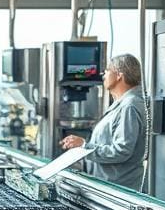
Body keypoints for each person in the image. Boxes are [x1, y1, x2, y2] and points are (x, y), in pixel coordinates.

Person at [60, 52, 148, 192]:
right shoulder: (123, 103)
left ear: (119, 75)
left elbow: (121, 151)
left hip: (118, 189)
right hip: (108, 185)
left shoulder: (129, 106)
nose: (103, 75)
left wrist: (84, 146)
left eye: (107, 71)